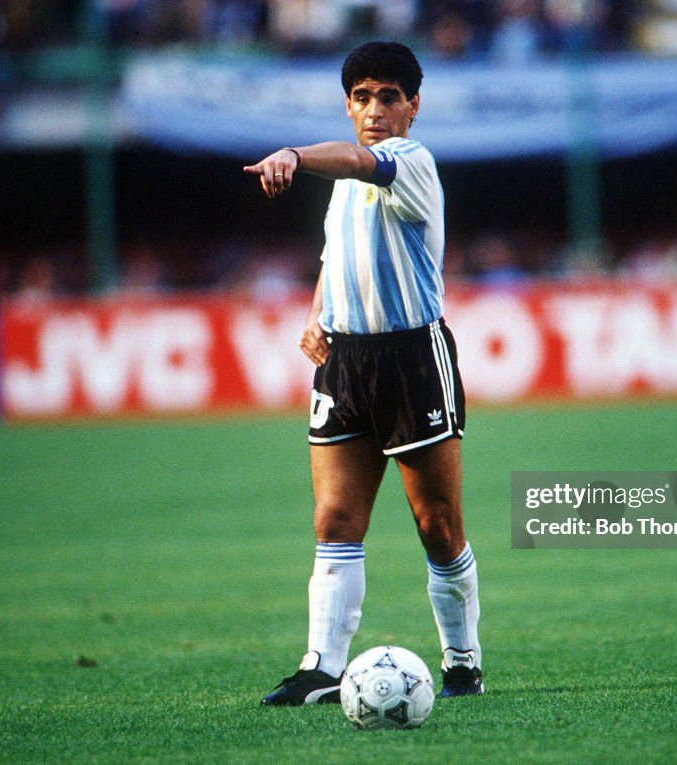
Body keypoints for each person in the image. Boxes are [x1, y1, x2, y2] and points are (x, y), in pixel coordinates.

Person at [243, 41, 484, 705]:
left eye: (387, 96)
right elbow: (333, 255)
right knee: (334, 518)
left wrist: (292, 154)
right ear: (348, 103)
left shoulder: (409, 161)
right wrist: (317, 313)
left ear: (413, 105)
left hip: (411, 358)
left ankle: (463, 660)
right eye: (361, 97)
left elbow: (352, 158)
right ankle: (322, 665)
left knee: (437, 523)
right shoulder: (349, 186)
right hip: (344, 361)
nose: (374, 109)